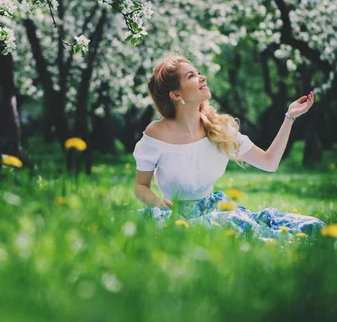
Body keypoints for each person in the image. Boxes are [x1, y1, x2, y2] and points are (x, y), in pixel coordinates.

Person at [132, 55, 325, 239]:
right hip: (174, 215)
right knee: (231, 223)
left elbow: (269, 162)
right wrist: (157, 204)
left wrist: (289, 117)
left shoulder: (219, 129)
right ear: (176, 94)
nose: (202, 77)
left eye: (197, 72)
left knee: (313, 227)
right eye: (191, 76)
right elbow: (141, 186)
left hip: (215, 209)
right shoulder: (157, 133)